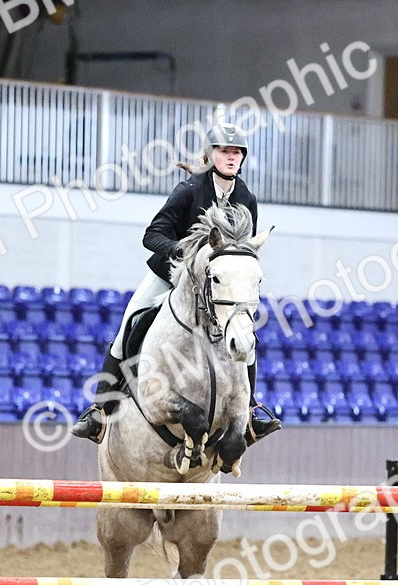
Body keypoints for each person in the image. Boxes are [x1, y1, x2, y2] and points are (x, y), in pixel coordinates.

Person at [70, 121, 282, 445]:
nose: (231, 156)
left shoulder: (246, 199)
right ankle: (100, 410)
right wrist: (183, 253)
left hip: (218, 286)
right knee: (129, 320)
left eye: (237, 151)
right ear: (211, 155)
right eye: (224, 150)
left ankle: (250, 411)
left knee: (244, 333)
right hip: (171, 275)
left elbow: (242, 249)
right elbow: (152, 235)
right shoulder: (189, 190)